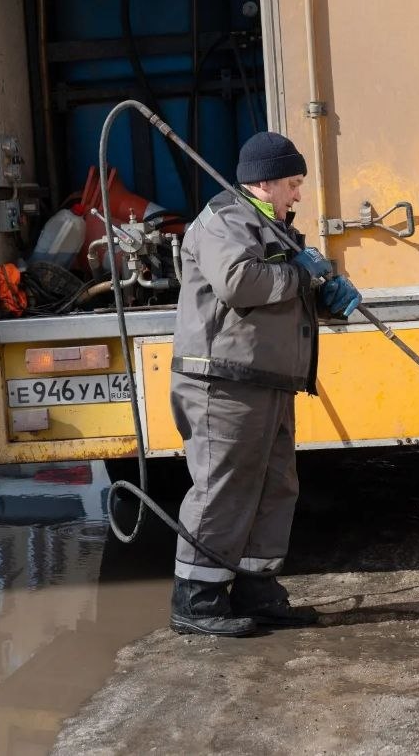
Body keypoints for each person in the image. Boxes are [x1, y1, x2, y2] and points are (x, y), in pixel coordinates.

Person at [168, 131, 361, 637]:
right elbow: (240, 284)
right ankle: (197, 600)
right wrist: (301, 276)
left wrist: (324, 297)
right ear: (266, 181)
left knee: (275, 487)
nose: (298, 195)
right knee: (224, 487)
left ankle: (259, 589)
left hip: (265, 380)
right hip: (224, 383)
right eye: (293, 184)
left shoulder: (267, 226)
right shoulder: (224, 221)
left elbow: (276, 292)